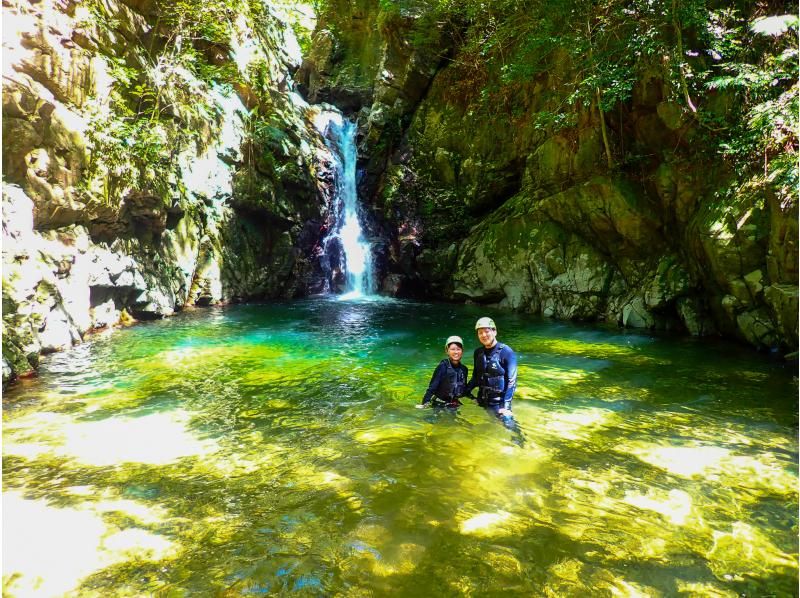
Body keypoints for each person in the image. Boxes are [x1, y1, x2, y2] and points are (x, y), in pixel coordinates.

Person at [467, 317, 518, 418]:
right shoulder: (478, 353)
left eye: (486, 331)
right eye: (480, 333)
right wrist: (465, 392)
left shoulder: (506, 352)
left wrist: (506, 406)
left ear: (494, 332)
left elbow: (512, 381)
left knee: (510, 428)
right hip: (481, 400)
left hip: (499, 404)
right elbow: (476, 377)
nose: (483, 335)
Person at [417, 335, 470, 409]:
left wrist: (473, 398)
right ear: (447, 351)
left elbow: (464, 390)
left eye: (458, 349)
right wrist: (424, 404)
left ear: (462, 351)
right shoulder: (442, 366)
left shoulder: (464, 369)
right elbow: (432, 387)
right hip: (438, 403)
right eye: (452, 349)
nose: (456, 352)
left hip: (453, 404)